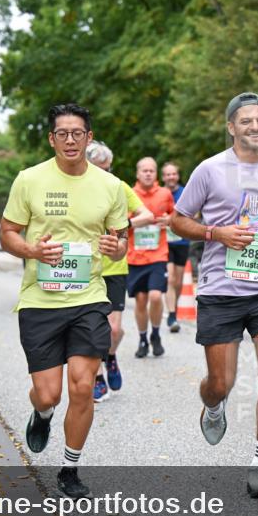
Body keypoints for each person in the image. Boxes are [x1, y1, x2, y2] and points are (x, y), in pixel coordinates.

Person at [170, 92, 258, 498]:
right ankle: (213, 404)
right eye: (246, 121)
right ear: (232, 126)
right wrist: (217, 233)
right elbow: (178, 221)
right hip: (221, 288)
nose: (255, 127)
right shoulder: (210, 170)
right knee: (222, 381)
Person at [0, 103, 128, 499]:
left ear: (89, 138)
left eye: (78, 134)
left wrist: (114, 246)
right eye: (62, 134)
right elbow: (7, 233)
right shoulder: (29, 179)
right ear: (51, 139)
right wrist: (33, 252)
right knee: (49, 392)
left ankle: (69, 469)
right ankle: (42, 414)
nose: (70, 140)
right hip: (40, 300)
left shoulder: (111, 186)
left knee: (83, 385)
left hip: (89, 297)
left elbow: (121, 245)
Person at [85, 140, 155, 402]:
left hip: (115, 266)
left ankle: (110, 357)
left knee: (114, 331)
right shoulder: (77, 189)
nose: (105, 173)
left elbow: (147, 214)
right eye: (99, 168)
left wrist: (123, 225)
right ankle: (97, 376)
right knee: (92, 329)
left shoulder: (118, 187)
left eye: (108, 168)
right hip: (87, 268)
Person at [127, 157, 175, 358]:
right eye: (144, 170)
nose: (148, 173)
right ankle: (143, 338)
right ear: (138, 174)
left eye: (152, 170)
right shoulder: (129, 194)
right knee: (140, 299)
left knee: (155, 296)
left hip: (158, 254)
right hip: (135, 256)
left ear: (156, 174)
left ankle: (155, 334)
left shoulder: (165, 194)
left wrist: (169, 220)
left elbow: (176, 217)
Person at [162, 161, 190, 333]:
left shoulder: (186, 192)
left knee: (178, 281)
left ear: (177, 176)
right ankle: (172, 315)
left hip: (182, 241)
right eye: (168, 174)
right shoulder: (160, 193)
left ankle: (174, 309)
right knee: (170, 278)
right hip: (164, 242)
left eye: (174, 174)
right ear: (163, 177)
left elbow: (195, 213)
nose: (171, 177)